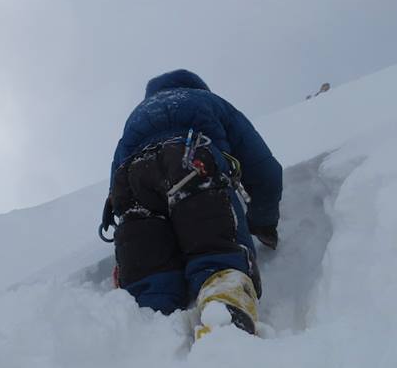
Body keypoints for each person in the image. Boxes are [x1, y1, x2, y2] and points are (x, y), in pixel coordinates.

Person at [99, 69, 283, 338]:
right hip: (190, 164)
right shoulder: (207, 101)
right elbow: (265, 170)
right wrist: (263, 222)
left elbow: (116, 184)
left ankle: (150, 334)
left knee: (149, 282)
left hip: (133, 181)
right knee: (216, 252)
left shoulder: (136, 117)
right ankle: (224, 309)